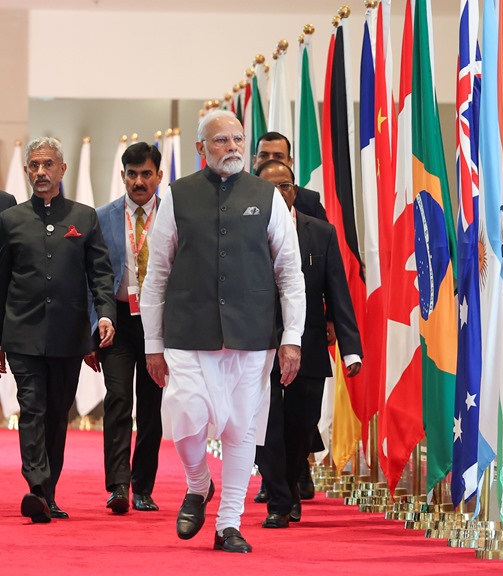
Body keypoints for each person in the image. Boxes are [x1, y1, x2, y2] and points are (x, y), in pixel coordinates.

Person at [140, 111, 306, 553]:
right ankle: (198, 483)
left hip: (251, 336)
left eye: (237, 139)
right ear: (201, 149)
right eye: (220, 140)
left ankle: (229, 523)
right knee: (187, 418)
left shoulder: (266, 195)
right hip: (188, 331)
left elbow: (290, 273)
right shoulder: (177, 196)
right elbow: (156, 275)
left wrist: (292, 338)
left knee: (241, 430)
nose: (231, 147)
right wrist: (152, 345)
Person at [0, 137, 116, 523]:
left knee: (57, 413)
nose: (40, 172)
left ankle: (47, 495)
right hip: (22, 332)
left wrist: (104, 314)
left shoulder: (84, 217)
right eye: (34, 165)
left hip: (69, 335)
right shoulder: (10, 220)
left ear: (62, 170)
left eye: (48, 164)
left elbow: (100, 273)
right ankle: (36, 486)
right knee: (32, 406)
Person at [254, 160, 361, 528]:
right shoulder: (244, 233)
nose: (278, 194)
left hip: (309, 342)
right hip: (258, 344)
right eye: (269, 188)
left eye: (284, 186)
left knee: (303, 422)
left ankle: (291, 485)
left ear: (294, 191)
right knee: (266, 424)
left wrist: (351, 348)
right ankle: (279, 500)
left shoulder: (321, 233)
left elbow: (338, 293)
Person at [84, 142, 164, 514]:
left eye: (146, 173)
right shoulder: (101, 217)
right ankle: (118, 485)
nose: (138, 181)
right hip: (114, 322)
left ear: (159, 176)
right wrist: (90, 331)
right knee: (118, 401)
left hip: (157, 326)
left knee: (152, 407)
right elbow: (91, 278)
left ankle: (142, 486)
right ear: (123, 176)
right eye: (131, 174)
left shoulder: (174, 217)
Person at [254, 131, 326, 221]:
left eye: (278, 156)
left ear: (290, 162)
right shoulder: (238, 197)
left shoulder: (310, 201)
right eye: (264, 155)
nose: (271, 161)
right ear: (254, 161)